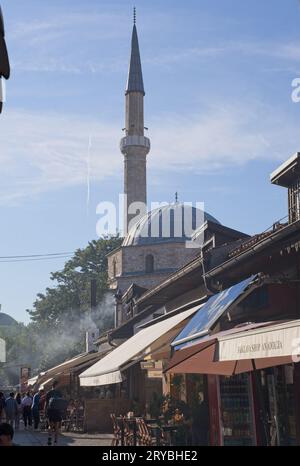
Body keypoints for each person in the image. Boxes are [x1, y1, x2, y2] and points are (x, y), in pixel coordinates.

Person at [45, 381, 67, 446]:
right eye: (58, 385)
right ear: (56, 385)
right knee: (57, 426)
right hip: (57, 411)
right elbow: (61, 402)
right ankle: (55, 441)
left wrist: (45, 411)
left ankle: (49, 436)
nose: (59, 386)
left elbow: (46, 403)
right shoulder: (59, 393)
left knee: (50, 425)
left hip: (50, 410)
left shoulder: (49, 393)